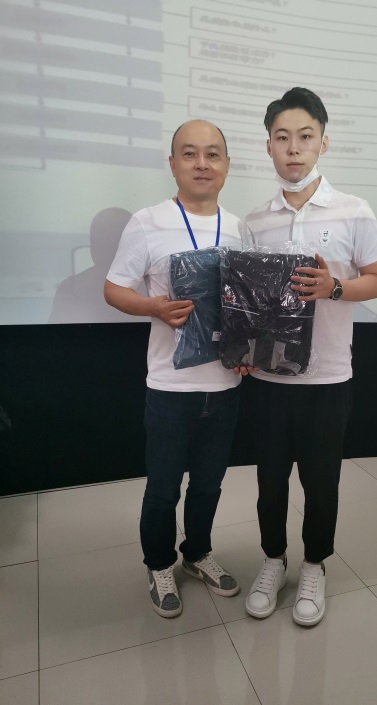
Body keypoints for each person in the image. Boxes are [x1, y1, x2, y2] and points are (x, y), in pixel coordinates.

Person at [241, 87, 377, 627]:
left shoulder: (354, 211)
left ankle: (314, 565)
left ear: (323, 143)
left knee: (322, 483)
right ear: (269, 146)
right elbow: (248, 300)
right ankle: (273, 561)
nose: (293, 148)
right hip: (268, 379)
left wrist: (334, 288)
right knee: (269, 481)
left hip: (327, 377)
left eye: (305, 136)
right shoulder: (254, 221)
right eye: (282, 138)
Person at [104, 120, 242, 618]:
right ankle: (159, 564)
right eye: (189, 153)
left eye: (213, 154)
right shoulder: (148, 222)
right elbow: (114, 288)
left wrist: (250, 346)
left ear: (226, 164)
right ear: (173, 164)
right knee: (163, 488)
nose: (202, 163)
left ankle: (198, 553)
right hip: (170, 384)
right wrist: (154, 308)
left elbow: (243, 303)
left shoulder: (239, 227)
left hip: (225, 383)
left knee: (209, 483)